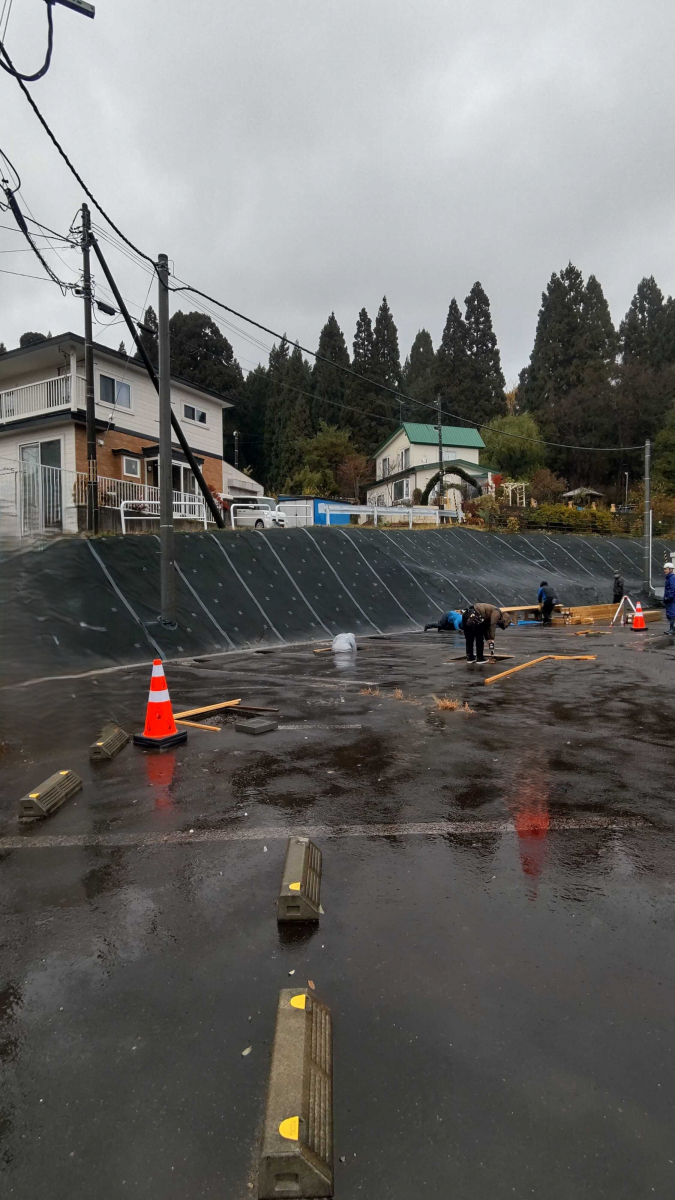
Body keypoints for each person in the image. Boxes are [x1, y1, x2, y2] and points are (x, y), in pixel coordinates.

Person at [664, 562, 675, 633]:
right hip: (669, 600)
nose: (665, 570)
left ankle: (672, 629)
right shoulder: (669, 578)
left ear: (670, 569)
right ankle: (672, 629)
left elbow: (672, 589)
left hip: (671, 600)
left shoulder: (672, 578)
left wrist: (669, 597)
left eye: (666, 569)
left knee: (672, 614)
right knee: (670, 614)